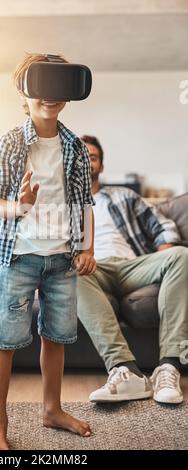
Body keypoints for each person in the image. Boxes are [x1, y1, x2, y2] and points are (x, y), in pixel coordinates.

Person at [0, 53, 96, 450]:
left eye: (57, 86)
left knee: (56, 338)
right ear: (24, 90)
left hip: (62, 259)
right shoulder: (10, 142)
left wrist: (87, 246)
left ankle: (52, 410)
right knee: (5, 341)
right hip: (20, 257)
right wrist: (20, 204)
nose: (50, 95)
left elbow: (84, 204)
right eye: (41, 85)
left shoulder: (75, 147)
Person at [77, 135, 188, 404]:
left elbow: (162, 225)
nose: (86, 162)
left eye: (92, 157)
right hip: (91, 269)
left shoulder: (123, 195)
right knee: (68, 272)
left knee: (181, 255)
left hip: (131, 266)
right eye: (81, 157)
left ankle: (169, 366)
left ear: (101, 166)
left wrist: (163, 261)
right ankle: (126, 370)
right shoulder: (61, 204)